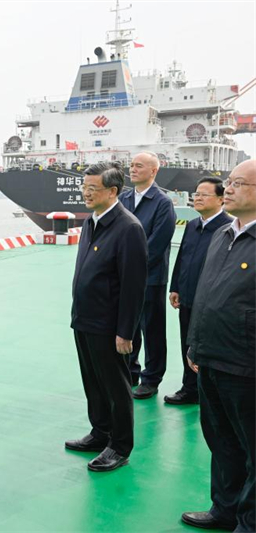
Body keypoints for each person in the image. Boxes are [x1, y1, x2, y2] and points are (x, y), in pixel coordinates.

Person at [181, 160, 255, 532]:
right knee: (221, 441)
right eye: (228, 182)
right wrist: (194, 343)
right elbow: (206, 294)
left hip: (246, 366)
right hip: (210, 358)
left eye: (238, 183)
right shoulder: (222, 234)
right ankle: (224, 509)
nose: (228, 189)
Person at [66, 161, 147, 472]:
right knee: (93, 382)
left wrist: (125, 331)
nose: (86, 193)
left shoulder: (128, 228)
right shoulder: (91, 222)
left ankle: (120, 446)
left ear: (112, 191)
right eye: (84, 188)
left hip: (109, 325)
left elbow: (133, 286)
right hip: (84, 319)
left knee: (115, 386)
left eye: (92, 189)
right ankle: (100, 432)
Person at [165, 177, 232, 405]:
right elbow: (182, 255)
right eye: (196, 193)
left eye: (205, 194)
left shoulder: (227, 228)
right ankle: (190, 388)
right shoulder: (193, 225)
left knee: (207, 346)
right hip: (188, 296)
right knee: (187, 342)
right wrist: (175, 287)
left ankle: (208, 390)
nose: (198, 198)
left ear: (221, 199)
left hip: (211, 301)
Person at [119, 152, 176, 399]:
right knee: (128, 326)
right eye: (131, 165)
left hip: (151, 278)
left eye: (139, 166)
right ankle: (130, 371)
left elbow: (158, 242)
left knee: (151, 329)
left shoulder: (162, 203)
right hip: (124, 276)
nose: (132, 169)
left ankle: (151, 378)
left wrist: (132, 267)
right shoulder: (124, 198)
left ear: (154, 171)